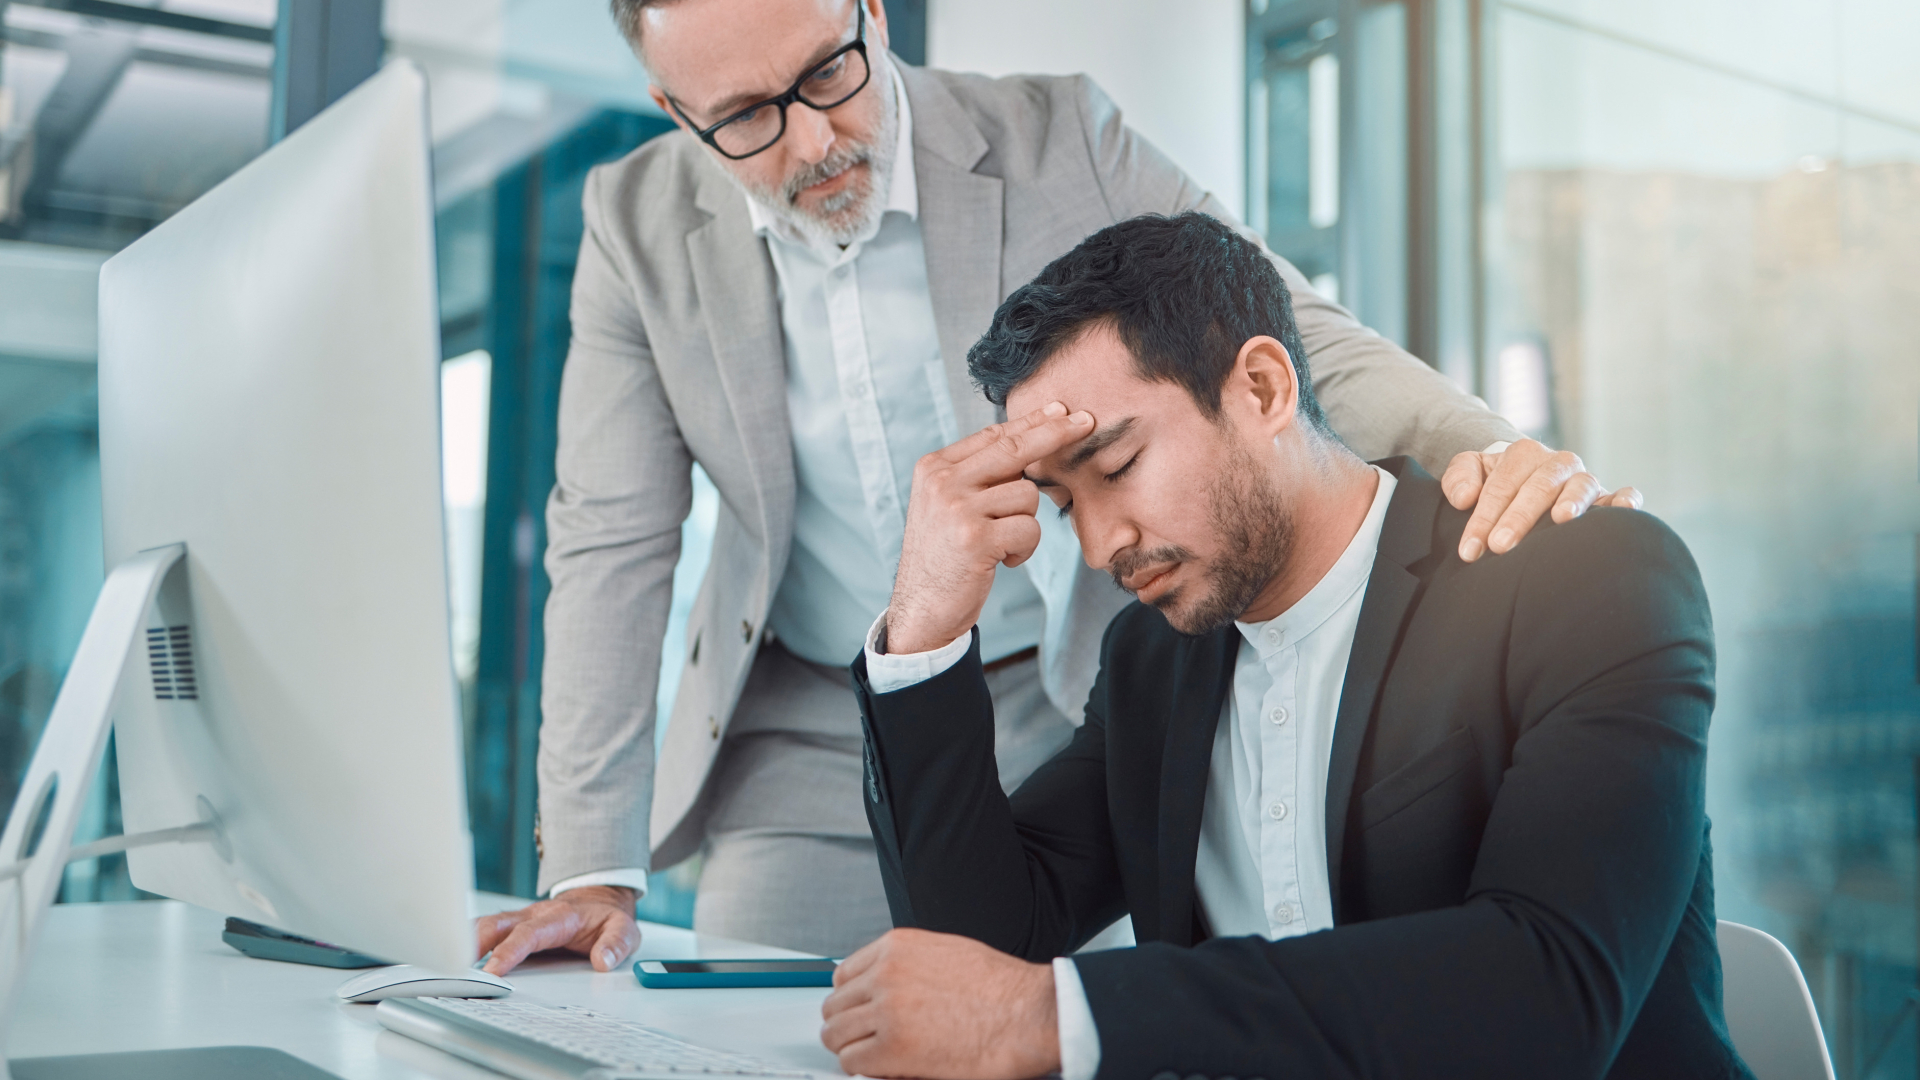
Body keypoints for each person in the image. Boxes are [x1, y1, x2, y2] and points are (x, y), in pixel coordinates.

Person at [475, 0, 1643, 972]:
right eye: (743, 118)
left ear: (874, 13)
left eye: (829, 71)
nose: (813, 139)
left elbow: (1281, 327)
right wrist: (589, 865)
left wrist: (1490, 458)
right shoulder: (630, 228)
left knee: (1066, 1022)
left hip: (1066, 684)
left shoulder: (1059, 136)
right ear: (678, 113)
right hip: (814, 717)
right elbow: (610, 544)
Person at [820, 212, 1749, 1080]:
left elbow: (1550, 991)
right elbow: (979, 957)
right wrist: (925, 625)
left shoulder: (1585, 579)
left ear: (1262, 388)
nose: (1101, 546)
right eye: (1066, 506)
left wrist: (1058, 1015)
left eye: (1117, 468)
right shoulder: (1150, 660)